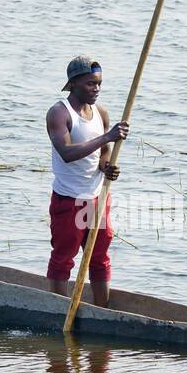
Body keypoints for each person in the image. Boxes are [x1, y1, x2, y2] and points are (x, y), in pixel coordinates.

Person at [45, 55, 130, 306]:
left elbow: (102, 155)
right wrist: (107, 138)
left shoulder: (99, 113)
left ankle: (101, 310)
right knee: (63, 258)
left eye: (99, 84)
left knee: (99, 258)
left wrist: (107, 168)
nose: (96, 89)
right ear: (73, 84)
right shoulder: (59, 113)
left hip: (97, 198)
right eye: (90, 84)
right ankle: (58, 308)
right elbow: (67, 153)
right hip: (69, 199)